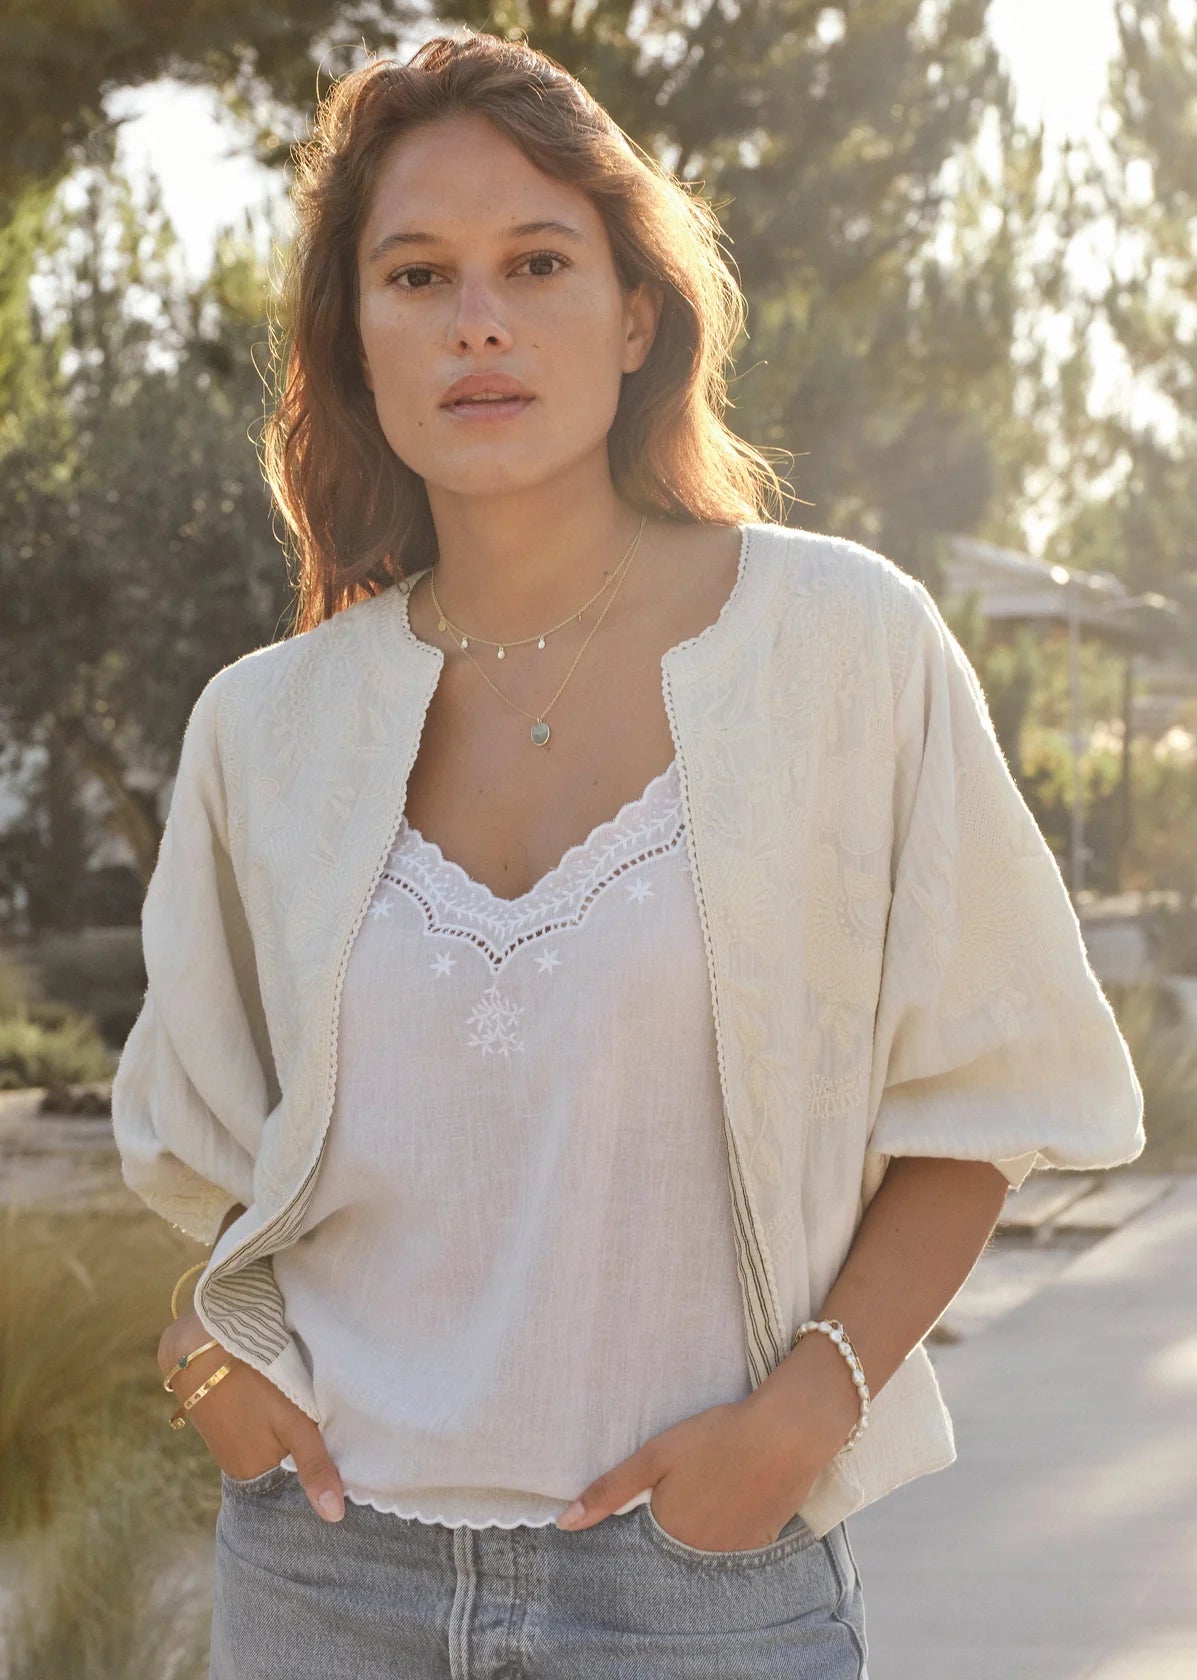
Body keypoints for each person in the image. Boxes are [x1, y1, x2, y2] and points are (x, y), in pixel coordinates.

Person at [111, 28, 1145, 1680]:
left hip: (697, 1588)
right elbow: (224, 1149)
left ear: (638, 315)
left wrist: (803, 1418)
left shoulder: (840, 646)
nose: (480, 321)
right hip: (321, 1577)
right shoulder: (267, 725)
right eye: (417, 275)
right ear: (357, 338)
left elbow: (988, 1091)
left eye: (537, 262)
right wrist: (204, 1361)